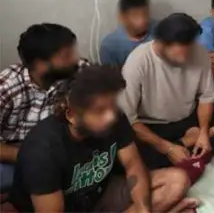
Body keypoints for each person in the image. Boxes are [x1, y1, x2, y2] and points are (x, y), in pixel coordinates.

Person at [8, 65, 197, 213]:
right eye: (99, 111)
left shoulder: (114, 118)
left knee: (177, 181)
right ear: (71, 115)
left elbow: (132, 164)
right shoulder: (42, 150)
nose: (110, 117)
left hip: (98, 195)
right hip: (64, 207)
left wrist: (143, 207)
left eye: (112, 106)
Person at [119, 13, 214, 170]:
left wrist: (204, 133)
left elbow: (206, 97)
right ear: (162, 44)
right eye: (181, 52)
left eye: (189, 49)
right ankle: (185, 144)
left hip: (190, 120)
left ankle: (193, 143)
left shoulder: (199, 53)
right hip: (153, 126)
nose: (186, 58)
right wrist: (168, 148)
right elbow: (129, 120)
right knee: (125, 161)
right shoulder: (138, 61)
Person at [0, 24, 86, 192]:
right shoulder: (7, 88)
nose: (76, 59)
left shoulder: (76, 71)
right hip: (14, 156)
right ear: (40, 64)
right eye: (67, 56)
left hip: (60, 149)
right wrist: (36, 158)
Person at [99, 0, 156, 68]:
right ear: (123, 18)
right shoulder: (110, 45)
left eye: (145, 14)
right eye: (135, 16)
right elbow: (111, 77)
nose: (142, 20)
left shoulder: (160, 33)